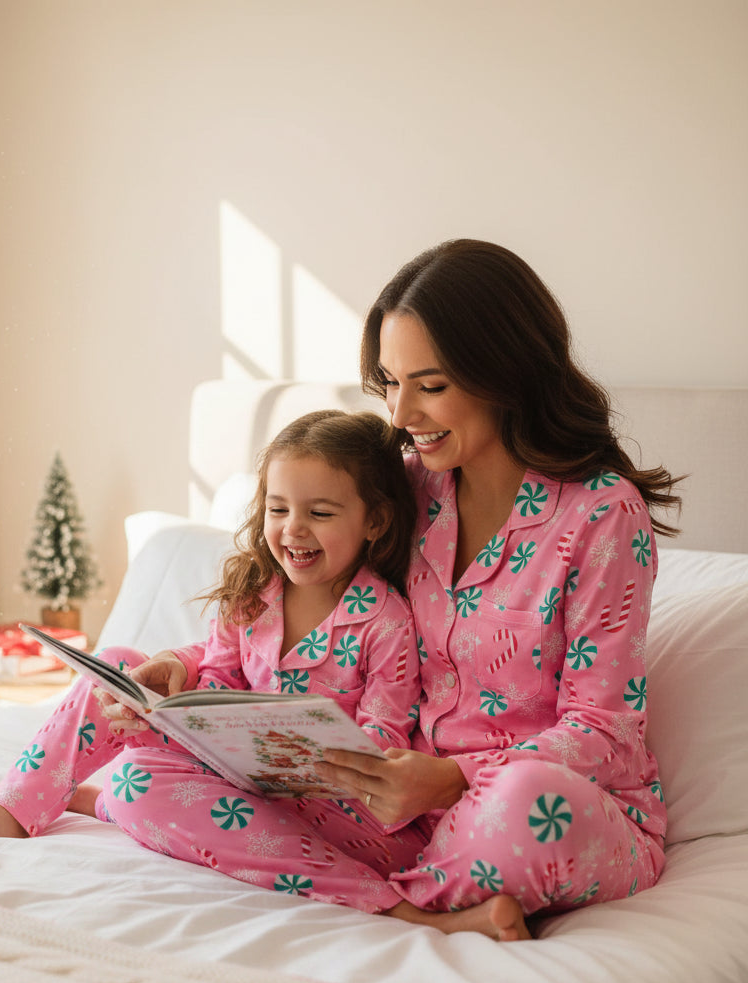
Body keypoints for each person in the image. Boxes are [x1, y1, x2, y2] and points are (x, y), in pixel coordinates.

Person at [100, 239, 681, 942]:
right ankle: (410, 907)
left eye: (429, 386)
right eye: (389, 384)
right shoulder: (402, 488)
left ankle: (361, 888)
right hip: (389, 809)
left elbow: (605, 733)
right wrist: (188, 670)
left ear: (506, 373)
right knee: (139, 779)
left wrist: (452, 779)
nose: (401, 415)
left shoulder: (600, 513)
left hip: (535, 814)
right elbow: (302, 606)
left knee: (531, 801)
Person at [0, 410, 426, 910]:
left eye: (320, 513)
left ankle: (376, 898)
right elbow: (221, 676)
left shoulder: (387, 621)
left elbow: (385, 740)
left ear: (374, 520)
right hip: (231, 771)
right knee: (118, 665)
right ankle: (13, 811)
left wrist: (298, 754)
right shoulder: (252, 593)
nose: (293, 529)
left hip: (327, 805)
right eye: (278, 509)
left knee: (134, 786)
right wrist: (177, 687)